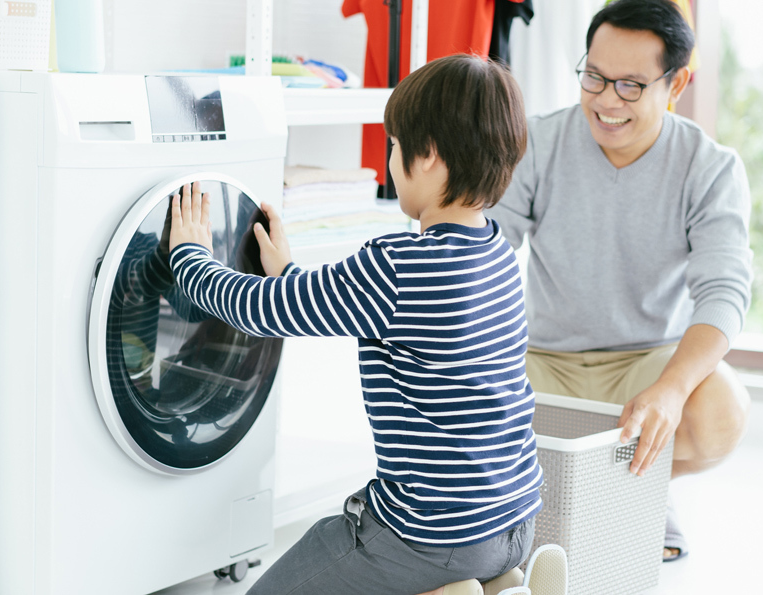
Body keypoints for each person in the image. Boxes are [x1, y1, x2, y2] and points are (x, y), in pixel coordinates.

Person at [166, 55, 542, 595]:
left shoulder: (397, 265)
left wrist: (190, 257)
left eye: (393, 146)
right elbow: (341, 306)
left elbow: (260, 309)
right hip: (514, 517)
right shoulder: (498, 253)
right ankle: (492, 586)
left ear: (429, 153)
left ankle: (450, 583)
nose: (390, 160)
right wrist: (291, 275)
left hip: (431, 534)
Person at [486, 0, 753, 561]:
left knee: (721, 411)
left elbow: (724, 294)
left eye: (631, 85)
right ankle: (601, 511)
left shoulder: (710, 167)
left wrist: (672, 390)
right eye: (594, 77)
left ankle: (635, 498)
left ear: (675, 86)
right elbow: (488, 246)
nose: (607, 101)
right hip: (544, 359)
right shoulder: (538, 141)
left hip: (646, 364)